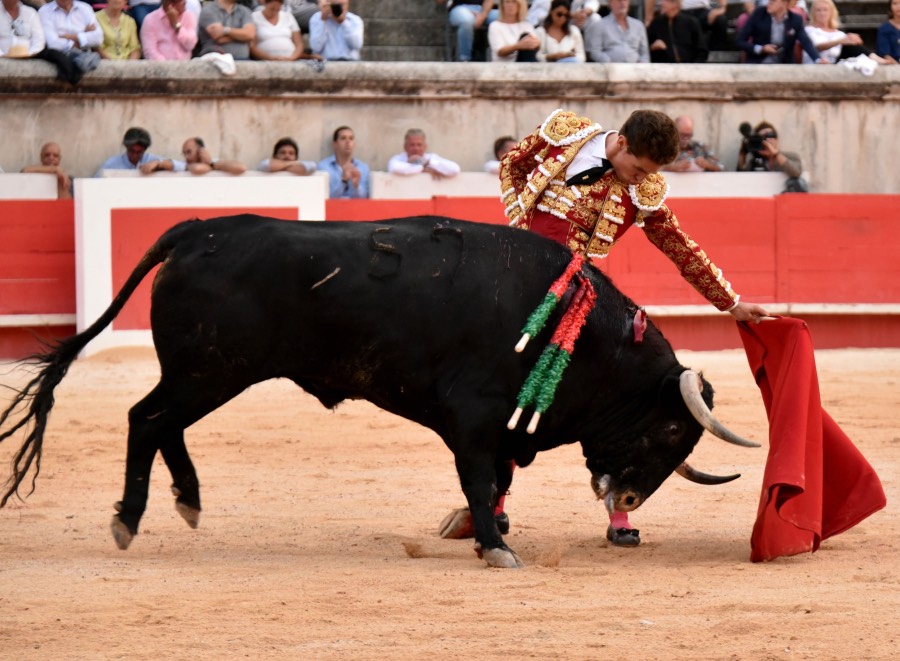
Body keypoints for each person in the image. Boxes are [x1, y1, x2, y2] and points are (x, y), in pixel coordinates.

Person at [492, 108, 769, 547]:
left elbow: (681, 249)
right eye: (637, 169)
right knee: (508, 393)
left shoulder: (646, 191)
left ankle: (619, 509)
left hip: (576, 294)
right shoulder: (565, 133)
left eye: (649, 174)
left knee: (619, 393)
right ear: (621, 143)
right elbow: (513, 164)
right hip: (515, 284)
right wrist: (518, 228)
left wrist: (730, 303)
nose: (640, 180)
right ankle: (493, 506)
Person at [804, 0, 891, 64]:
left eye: (825, 10)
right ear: (813, 13)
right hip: (817, 63)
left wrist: (854, 41)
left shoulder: (838, 33)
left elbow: (849, 44)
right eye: (818, 10)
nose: (822, 13)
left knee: (852, 47)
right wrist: (841, 41)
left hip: (835, 63)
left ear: (831, 13)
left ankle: (880, 61)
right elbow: (818, 46)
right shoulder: (809, 30)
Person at [737, 0, 825, 63]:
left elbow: (806, 42)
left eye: (773, 1)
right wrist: (761, 49)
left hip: (785, 64)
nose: (769, 3)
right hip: (760, 62)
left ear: (785, 3)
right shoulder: (759, 14)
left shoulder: (795, 19)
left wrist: (818, 59)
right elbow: (740, 41)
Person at [38, 0, 102, 83]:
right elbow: (53, 43)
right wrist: (84, 35)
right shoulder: (44, 11)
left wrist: (69, 37)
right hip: (61, 58)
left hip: (85, 57)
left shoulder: (85, 8)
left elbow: (98, 38)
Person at [737, 120, 807, 191]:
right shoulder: (754, 163)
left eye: (771, 135)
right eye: (763, 137)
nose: (768, 140)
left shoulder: (791, 156)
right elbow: (740, 181)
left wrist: (775, 154)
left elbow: (796, 172)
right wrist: (743, 154)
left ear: (777, 140)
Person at [94, 126, 186, 176]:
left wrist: (159, 164)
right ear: (126, 147)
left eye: (139, 152)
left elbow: (184, 167)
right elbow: (94, 186)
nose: (134, 156)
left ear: (144, 150)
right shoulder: (111, 164)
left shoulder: (152, 160)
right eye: (131, 151)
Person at [584, 0, 649, 63]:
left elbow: (644, 54)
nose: (623, 3)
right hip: (610, 70)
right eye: (619, 0)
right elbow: (595, 52)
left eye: (625, 0)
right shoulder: (600, 25)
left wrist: (642, 65)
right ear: (610, 2)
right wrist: (608, 62)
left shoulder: (638, 25)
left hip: (635, 70)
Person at [317, 125, 370, 199]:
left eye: (351, 138)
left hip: (355, 209)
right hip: (332, 210)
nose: (348, 142)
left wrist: (355, 186)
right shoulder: (323, 167)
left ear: (354, 144)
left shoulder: (363, 167)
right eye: (343, 138)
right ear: (335, 144)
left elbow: (365, 199)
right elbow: (325, 197)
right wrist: (343, 180)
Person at [387, 128, 460, 179]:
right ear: (405, 146)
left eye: (419, 145)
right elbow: (394, 168)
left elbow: (455, 169)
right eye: (412, 145)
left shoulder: (431, 158)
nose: (416, 148)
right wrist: (423, 169)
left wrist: (426, 162)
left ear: (425, 146)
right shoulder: (399, 159)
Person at [176, 137, 246, 175]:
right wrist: (210, 166)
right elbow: (197, 169)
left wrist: (211, 164)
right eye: (184, 153)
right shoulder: (184, 164)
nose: (186, 157)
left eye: (189, 152)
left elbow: (241, 168)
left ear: (200, 151)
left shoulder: (213, 162)